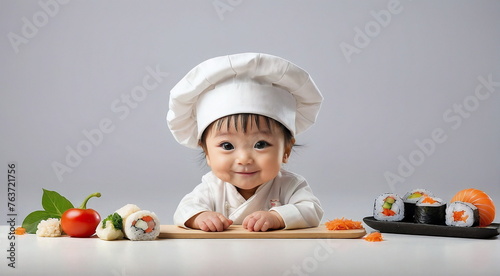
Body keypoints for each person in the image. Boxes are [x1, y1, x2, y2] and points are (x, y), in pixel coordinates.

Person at [167, 53, 324, 232]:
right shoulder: (211, 187)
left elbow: (312, 209)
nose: (244, 159)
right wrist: (200, 217)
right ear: (207, 153)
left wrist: (277, 217)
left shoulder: (289, 185)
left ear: (286, 150)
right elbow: (183, 210)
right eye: (227, 146)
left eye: (261, 144)